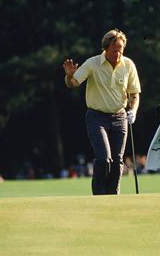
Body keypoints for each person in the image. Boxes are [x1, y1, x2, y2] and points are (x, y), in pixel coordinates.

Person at [63, 28, 141, 195]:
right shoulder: (92, 63)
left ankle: (113, 195)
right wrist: (69, 76)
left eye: (120, 49)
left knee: (118, 160)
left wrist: (133, 110)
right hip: (96, 117)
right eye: (114, 50)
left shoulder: (128, 65)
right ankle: (99, 195)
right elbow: (73, 83)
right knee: (104, 158)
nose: (118, 54)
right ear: (105, 48)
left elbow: (134, 94)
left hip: (120, 117)